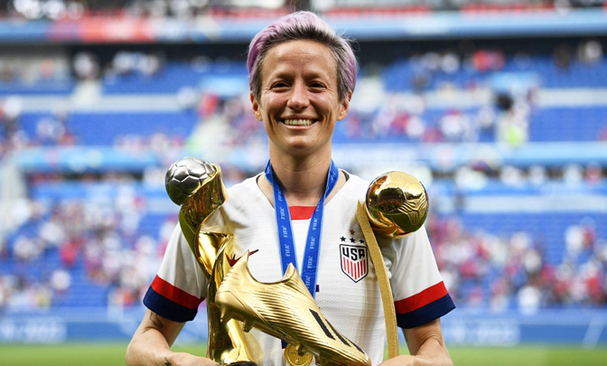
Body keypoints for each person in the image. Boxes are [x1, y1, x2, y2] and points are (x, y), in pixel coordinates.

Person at [126, 11, 455, 366]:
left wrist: (418, 363)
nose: (298, 100)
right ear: (255, 102)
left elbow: (432, 344)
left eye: (316, 84)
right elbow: (147, 336)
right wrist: (175, 362)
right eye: (281, 84)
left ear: (344, 102)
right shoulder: (214, 214)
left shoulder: (385, 211)